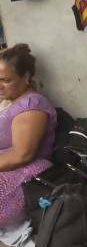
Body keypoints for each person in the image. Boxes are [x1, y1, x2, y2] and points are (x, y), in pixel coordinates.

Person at [0, 44, 57, 228]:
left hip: (26, 172)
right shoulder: (8, 98)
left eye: (5, 80)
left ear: (25, 76)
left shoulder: (31, 105)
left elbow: (22, 154)